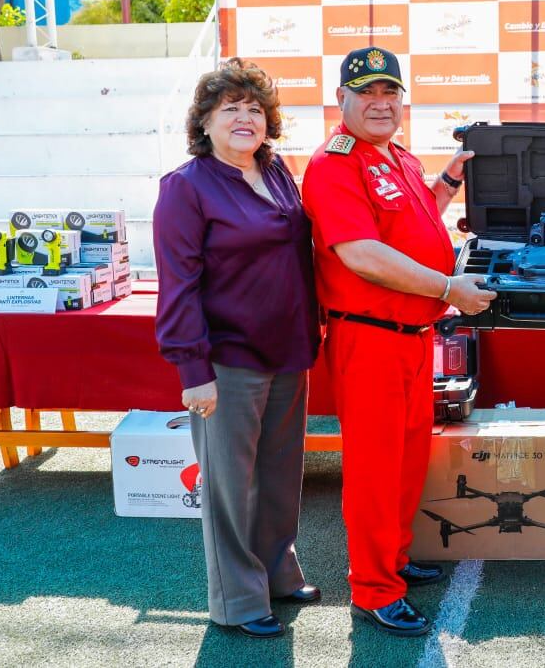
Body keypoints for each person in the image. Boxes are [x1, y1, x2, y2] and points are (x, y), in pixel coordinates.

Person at [301, 46, 495, 637]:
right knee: (376, 471)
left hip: (413, 337)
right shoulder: (335, 164)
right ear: (342, 100)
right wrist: (447, 286)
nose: (380, 104)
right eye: (367, 94)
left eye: (390, 93)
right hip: (370, 340)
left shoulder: (397, 158)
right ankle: (374, 589)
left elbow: (413, 224)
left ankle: (396, 560)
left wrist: (450, 178)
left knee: (409, 462)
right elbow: (360, 254)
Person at [153, 58, 322, 639]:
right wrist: (191, 369)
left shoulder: (276, 172)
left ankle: (278, 574)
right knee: (230, 488)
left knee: (279, 476)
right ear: (204, 122)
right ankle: (237, 601)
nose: (245, 118)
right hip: (225, 362)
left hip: (288, 354)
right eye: (231, 108)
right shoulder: (185, 188)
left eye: (255, 109)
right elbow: (178, 286)